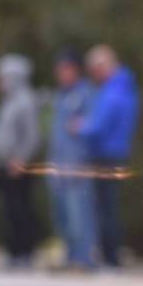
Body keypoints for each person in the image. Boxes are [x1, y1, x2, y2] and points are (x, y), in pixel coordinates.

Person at [72, 44, 139, 268]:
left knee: (106, 208)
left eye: (95, 69)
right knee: (107, 206)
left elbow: (100, 125)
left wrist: (80, 127)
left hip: (107, 154)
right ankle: (110, 255)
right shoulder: (122, 86)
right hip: (113, 153)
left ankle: (111, 257)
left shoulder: (114, 90)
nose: (94, 74)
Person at [0, 54, 41, 268]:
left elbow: (33, 136)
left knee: (21, 208)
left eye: (3, 77)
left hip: (18, 165)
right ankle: (14, 252)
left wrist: (21, 159)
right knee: (10, 209)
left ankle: (25, 252)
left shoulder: (25, 101)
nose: (0, 82)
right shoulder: (9, 102)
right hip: (6, 163)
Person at [48, 50, 97, 271]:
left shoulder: (86, 94)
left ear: (75, 70)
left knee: (80, 215)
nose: (61, 74)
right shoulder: (60, 96)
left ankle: (84, 259)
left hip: (78, 167)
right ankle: (70, 257)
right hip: (58, 167)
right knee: (64, 217)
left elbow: (94, 127)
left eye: (65, 69)